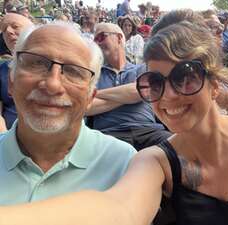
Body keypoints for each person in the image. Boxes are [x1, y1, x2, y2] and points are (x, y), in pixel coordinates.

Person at [1, 19, 228, 225]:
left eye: (185, 77)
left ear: (215, 84)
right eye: (154, 82)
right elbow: (119, 210)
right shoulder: (156, 161)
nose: (168, 96)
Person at [0, 22, 136, 204]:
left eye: (73, 72)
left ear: (90, 97)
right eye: (37, 63)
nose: (52, 85)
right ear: (11, 82)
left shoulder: (124, 165)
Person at [89, 22, 171, 150]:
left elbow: (143, 91)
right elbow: (86, 106)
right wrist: (129, 94)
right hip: (109, 135)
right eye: (94, 40)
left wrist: (96, 94)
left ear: (119, 38)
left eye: (101, 37)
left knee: (184, 152)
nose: (97, 43)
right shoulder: (95, 74)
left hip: (148, 131)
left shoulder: (143, 68)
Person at [0, 13, 33, 131]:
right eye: (4, 29)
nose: (8, 31)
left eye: (15, 26)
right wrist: (4, 140)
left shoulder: (55, 64)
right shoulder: (2, 69)